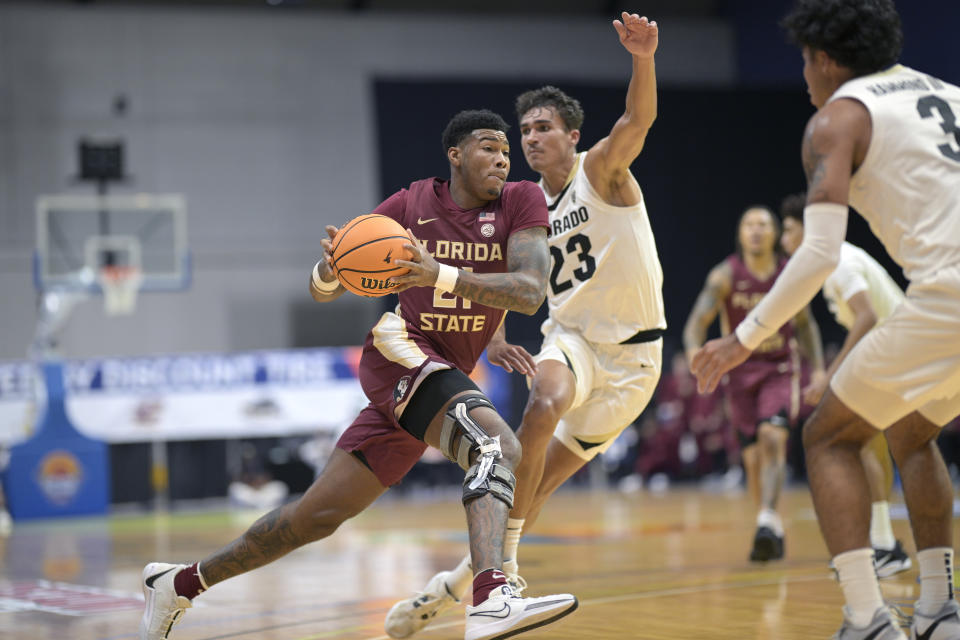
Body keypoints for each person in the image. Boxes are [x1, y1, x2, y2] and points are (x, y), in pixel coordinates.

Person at [137, 109, 578, 640]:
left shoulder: (520, 200)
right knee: (496, 447)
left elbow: (530, 292)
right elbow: (326, 284)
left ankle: (179, 583)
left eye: (506, 150)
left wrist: (442, 277)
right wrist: (329, 268)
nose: (503, 158)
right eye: (489, 147)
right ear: (455, 155)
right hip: (402, 353)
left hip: (442, 374)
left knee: (313, 518)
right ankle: (490, 597)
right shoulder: (410, 204)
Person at [384, 12, 663, 638]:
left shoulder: (602, 173)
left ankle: (452, 588)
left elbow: (638, 120)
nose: (531, 139)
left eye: (543, 129)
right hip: (571, 341)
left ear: (573, 136)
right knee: (542, 401)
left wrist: (643, 59)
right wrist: (501, 333)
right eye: (525, 131)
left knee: (529, 495)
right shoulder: (525, 202)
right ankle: (501, 577)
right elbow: (507, 275)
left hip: (635, 362)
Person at [691, 1, 960, 638]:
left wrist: (741, 338)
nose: (806, 78)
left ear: (826, 59)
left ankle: (867, 616)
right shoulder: (949, 92)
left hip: (947, 298)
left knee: (828, 437)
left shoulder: (836, 118)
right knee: (911, 433)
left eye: (806, 63)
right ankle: (938, 608)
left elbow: (818, 252)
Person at [780, 192, 912, 578]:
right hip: (898, 351)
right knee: (872, 442)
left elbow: (866, 316)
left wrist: (829, 375)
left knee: (837, 437)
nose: (784, 240)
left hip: (896, 349)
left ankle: (881, 546)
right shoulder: (831, 263)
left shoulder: (838, 262)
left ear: (806, 230)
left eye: (788, 230)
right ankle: (885, 544)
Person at [683, 204, 825, 563]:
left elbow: (806, 324)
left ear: (775, 233)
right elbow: (696, 322)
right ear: (740, 233)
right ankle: (769, 524)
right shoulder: (724, 275)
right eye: (749, 224)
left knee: (773, 438)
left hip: (778, 368)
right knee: (751, 459)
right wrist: (692, 353)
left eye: (764, 224)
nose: (757, 230)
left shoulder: (787, 273)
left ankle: (766, 519)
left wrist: (819, 369)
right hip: (739, 375)